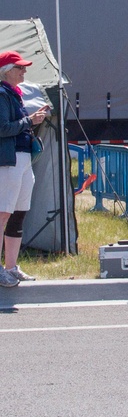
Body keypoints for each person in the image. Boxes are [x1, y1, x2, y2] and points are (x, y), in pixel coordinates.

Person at [0, 51, 49, 287]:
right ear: (6, 71)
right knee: (3, 214)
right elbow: (3, 128)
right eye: (19, 68)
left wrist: (30, 120)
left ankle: (11, 267)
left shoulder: (14, 93)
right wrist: (30, 121)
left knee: (18, 213)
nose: (24, 71)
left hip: (21, 158)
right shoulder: (1, 94)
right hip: (8, 161)